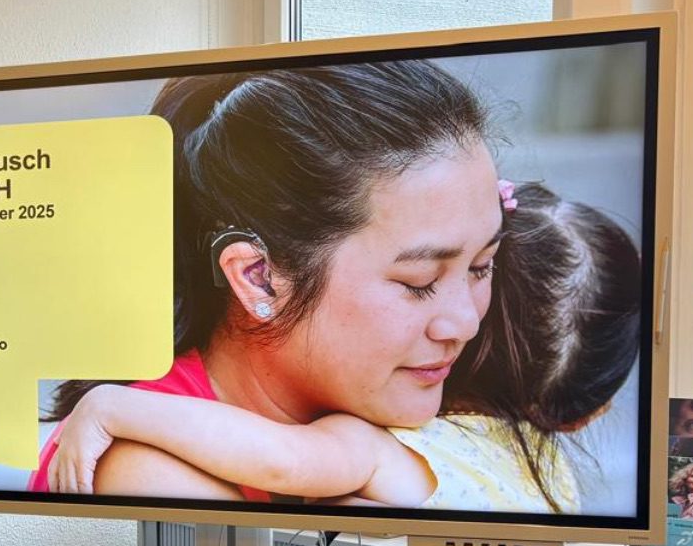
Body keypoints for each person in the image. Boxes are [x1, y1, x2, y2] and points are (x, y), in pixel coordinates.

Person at [29, 63, 604, 505]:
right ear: (259, 279)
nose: (466, 322)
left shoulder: (424, 420)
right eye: (419, 281)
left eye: (481, 267)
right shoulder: (148, 472)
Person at [44, 182, 642, 513]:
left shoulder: (393, 448)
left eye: (477, 268)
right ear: (584, 415)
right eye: (421, 280)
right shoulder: (553, 482)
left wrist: (114, 405)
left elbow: (283, 460)